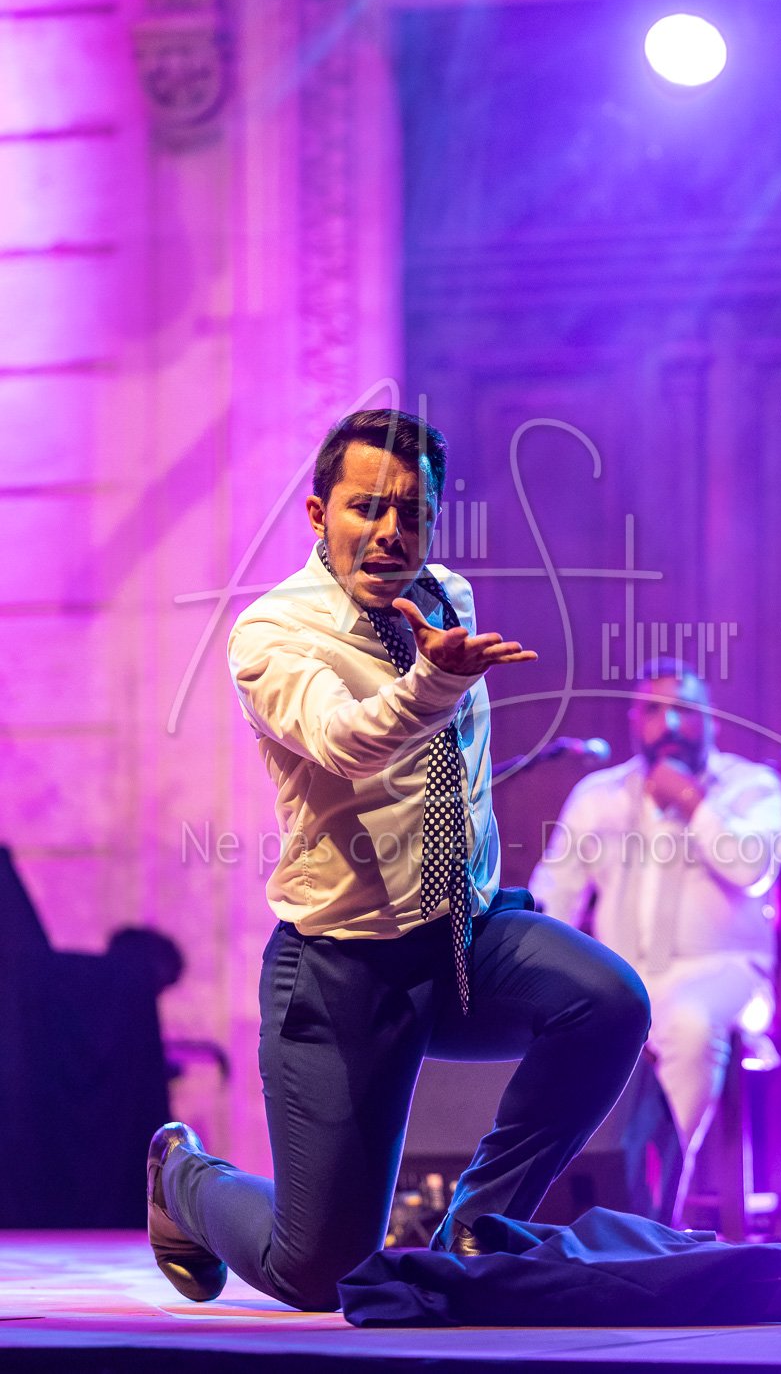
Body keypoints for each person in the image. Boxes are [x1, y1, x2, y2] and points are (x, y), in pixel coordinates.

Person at [146, 408, 650, 1311]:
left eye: (412, 513)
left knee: (608, 1003)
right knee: (317, 1275)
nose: (390, 532)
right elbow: (344, 742)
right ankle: (180, 1177)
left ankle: (477, 1232)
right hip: (346, 968)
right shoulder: (273, 633)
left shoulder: (446, 597)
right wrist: (434, 681)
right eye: (366, 507)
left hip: (463, 937)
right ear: (318, 514)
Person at [530, 662, 781, 1219]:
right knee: (553, 1022)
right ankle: (564, 1209)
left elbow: (752, 869)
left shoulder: (751, 787)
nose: (670, 724)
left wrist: (693, 801)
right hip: (626, 978)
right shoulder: (599, 795)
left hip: (727, 972)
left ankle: (651, 1213)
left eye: (685, 710)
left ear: (710, 719)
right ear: (634, 721)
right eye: (654, 710)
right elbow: (556, 892)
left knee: (688, 1023)